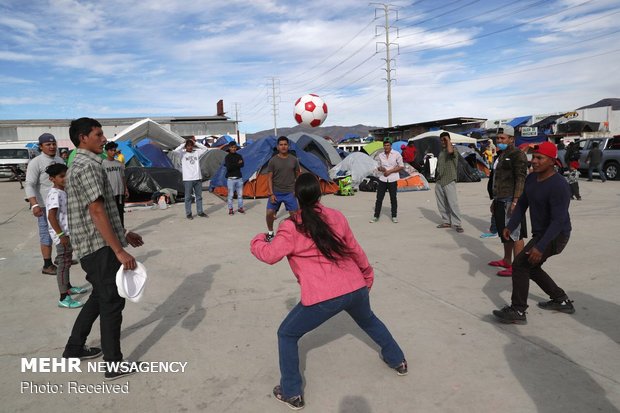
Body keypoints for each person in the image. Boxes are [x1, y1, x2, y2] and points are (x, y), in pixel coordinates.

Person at [250, 173, 407, 410]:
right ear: (320, 193)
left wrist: (259, 239)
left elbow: (270, 255)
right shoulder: (336, 216)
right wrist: (366, 275)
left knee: (287, 334)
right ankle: (398, 361)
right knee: (369, 320)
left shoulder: (291, 226)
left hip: (324, 295)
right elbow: (355, 249)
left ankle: (291, 392)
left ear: (296, 197)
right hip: (355, 287)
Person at [61, 117, 145, 380]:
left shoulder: (84, 164)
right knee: (111, 302)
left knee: (99, 296)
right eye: (98, 134)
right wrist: (118, 250)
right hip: (98, 247)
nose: (103, 138)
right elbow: (96, 211)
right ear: (83, 138)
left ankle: (74, 348)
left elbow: (104, 209)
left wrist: (124, 234)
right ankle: (114, 364)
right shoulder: (87, 166)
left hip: (95, 244)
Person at [492, 142, 575, 324]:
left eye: (539, 158)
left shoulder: (559, 185)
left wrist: (540, 246)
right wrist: (511, 225)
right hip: (541, 234)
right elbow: (522, 204)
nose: (534, 161)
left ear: (552, 161)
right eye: (533, 157)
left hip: (556, 235)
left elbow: (558, 221)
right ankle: (561, 300)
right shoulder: (531, 179)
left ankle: (518, 310)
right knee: (531, 267)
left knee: (521, 265)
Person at [45, 163, 88, 308]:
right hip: (62, 236)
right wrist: (61, 235)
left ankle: (68, 286)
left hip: (68, 234)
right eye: (61, 176)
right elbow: (51, 216)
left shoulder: (63, 191)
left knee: (67, 262)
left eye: (66, 175)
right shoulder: (55, 194)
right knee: (63, 265)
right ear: (52, 179)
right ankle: (64, 297)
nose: (65, 178)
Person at [487, 127, 528, 276]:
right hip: (500, 199)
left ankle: (517, 267)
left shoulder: (518, 155)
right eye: (498, 138)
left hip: (511, 199)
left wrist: (516, 201)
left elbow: (521, 179)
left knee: (515, 234)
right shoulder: (501, 155)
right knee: (504, 233)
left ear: (511, 139)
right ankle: (506, 260)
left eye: (503, 138)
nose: (499, 141)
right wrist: (494, 200)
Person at [25, 133, 65, 275]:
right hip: (44, 206)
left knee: (63, 230)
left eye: (53, 143)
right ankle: (47, 264)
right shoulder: (36, 162)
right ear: (41, 147)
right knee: (46, 234)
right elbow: (29, 184)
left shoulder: (60, 160)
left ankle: (62, 257)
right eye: (48, 144)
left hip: (60, 203)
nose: (52, 146)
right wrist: (35, 205)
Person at [265, 136, 301, 241]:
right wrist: (271, 194)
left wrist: (296, 189)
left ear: (288, 146)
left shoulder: (294, 160)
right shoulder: (272, 161)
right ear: (277, 147)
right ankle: (271, 233)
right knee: (269, 214)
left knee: (295, 216)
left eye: (285, 144)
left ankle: (296, 234)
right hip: (275, 193)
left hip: (290, 193)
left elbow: (298, 175)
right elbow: (269, 178)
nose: (283, 146)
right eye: (281, 145)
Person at [434, 132, 464, 233]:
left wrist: (448, 141)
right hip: (440, 180)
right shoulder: (441, 152)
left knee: (452, 203)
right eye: (441, 140)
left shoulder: (453, 150)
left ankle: (457, 223)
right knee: (441, 203)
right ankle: (446, 221)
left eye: (445, 140)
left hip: (449, 179)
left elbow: (450, 151)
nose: (443, 142)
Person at [370, 140, 404, 223]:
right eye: (385, 145)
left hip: (393, 179)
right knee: (379, 198)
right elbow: (378, 166)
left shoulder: (396, 154)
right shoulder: (380, 155)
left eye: (388, 145)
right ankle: (376, 216)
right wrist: (381, 169)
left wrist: (390, 171)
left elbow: (401, 166)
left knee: (393, 198)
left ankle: (394, 216)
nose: (386, 147)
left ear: (391, 146)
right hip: (383, 179)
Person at [174, 139, 208, 220]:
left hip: (197, 178)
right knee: (188, 197)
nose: (190, 147)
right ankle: (188, 213)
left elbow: (205, 149)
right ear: (186, 146)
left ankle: (200, 212)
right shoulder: (182, 153)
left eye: (191, 145)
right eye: (188, 146)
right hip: (188, 179)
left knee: (199, 196)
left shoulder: (196, 152)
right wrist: (183, 144)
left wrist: (195, 142)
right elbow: (175, 151)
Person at [103, 141, 128, 227]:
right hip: (109, 193)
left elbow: (123, 177)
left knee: (120, 212)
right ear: (107, 151)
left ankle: (122, 229)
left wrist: (126, 189)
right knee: (110, 213)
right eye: (111, 150)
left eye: (114, 150)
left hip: (120, 192)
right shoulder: (103, 164)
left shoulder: (119, 164)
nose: (113, 152)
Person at [224, 142, 245, 215]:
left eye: (234, 147)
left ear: (236, 148)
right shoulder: (227, 157)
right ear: (229, 148)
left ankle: (240, 208)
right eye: (232, 147)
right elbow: (229, 168)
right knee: (230, 195)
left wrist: (234, 164)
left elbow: (242, 165)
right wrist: (237, 163)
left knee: (240, 195)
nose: (233, 148)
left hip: (239, 178)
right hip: (230, 179)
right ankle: (230, 209)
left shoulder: (239, 156)